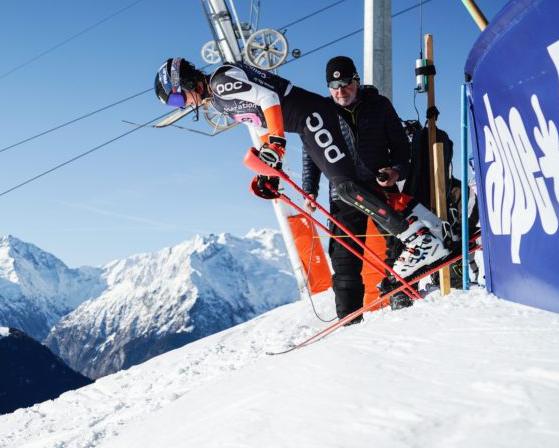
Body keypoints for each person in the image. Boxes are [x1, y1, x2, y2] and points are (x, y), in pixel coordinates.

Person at [153, 56, 449, 290]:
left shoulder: (220, 84)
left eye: (177, 100)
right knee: (355, 187)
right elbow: (261, 123)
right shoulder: (220, 98)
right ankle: (431, 226)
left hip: (312, 117)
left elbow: (268, 99)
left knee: (346, 188)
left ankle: (419, 240)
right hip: (307, 123)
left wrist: (277, 143)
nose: (183, 106)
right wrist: (269, 172)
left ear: (185, 84)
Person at [300, 56, 412, 318]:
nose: (341, 91)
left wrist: (396, 171)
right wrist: (310, 189)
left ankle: (401, 298)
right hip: (344, 193)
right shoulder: (320, 114)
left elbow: (401, 146)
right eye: (334, 86)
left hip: (381, 187)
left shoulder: (379, 105)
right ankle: (349, 321)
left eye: (346, 83)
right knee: (344, 261)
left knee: (400, 242)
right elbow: (311, 156)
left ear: (356, 81)